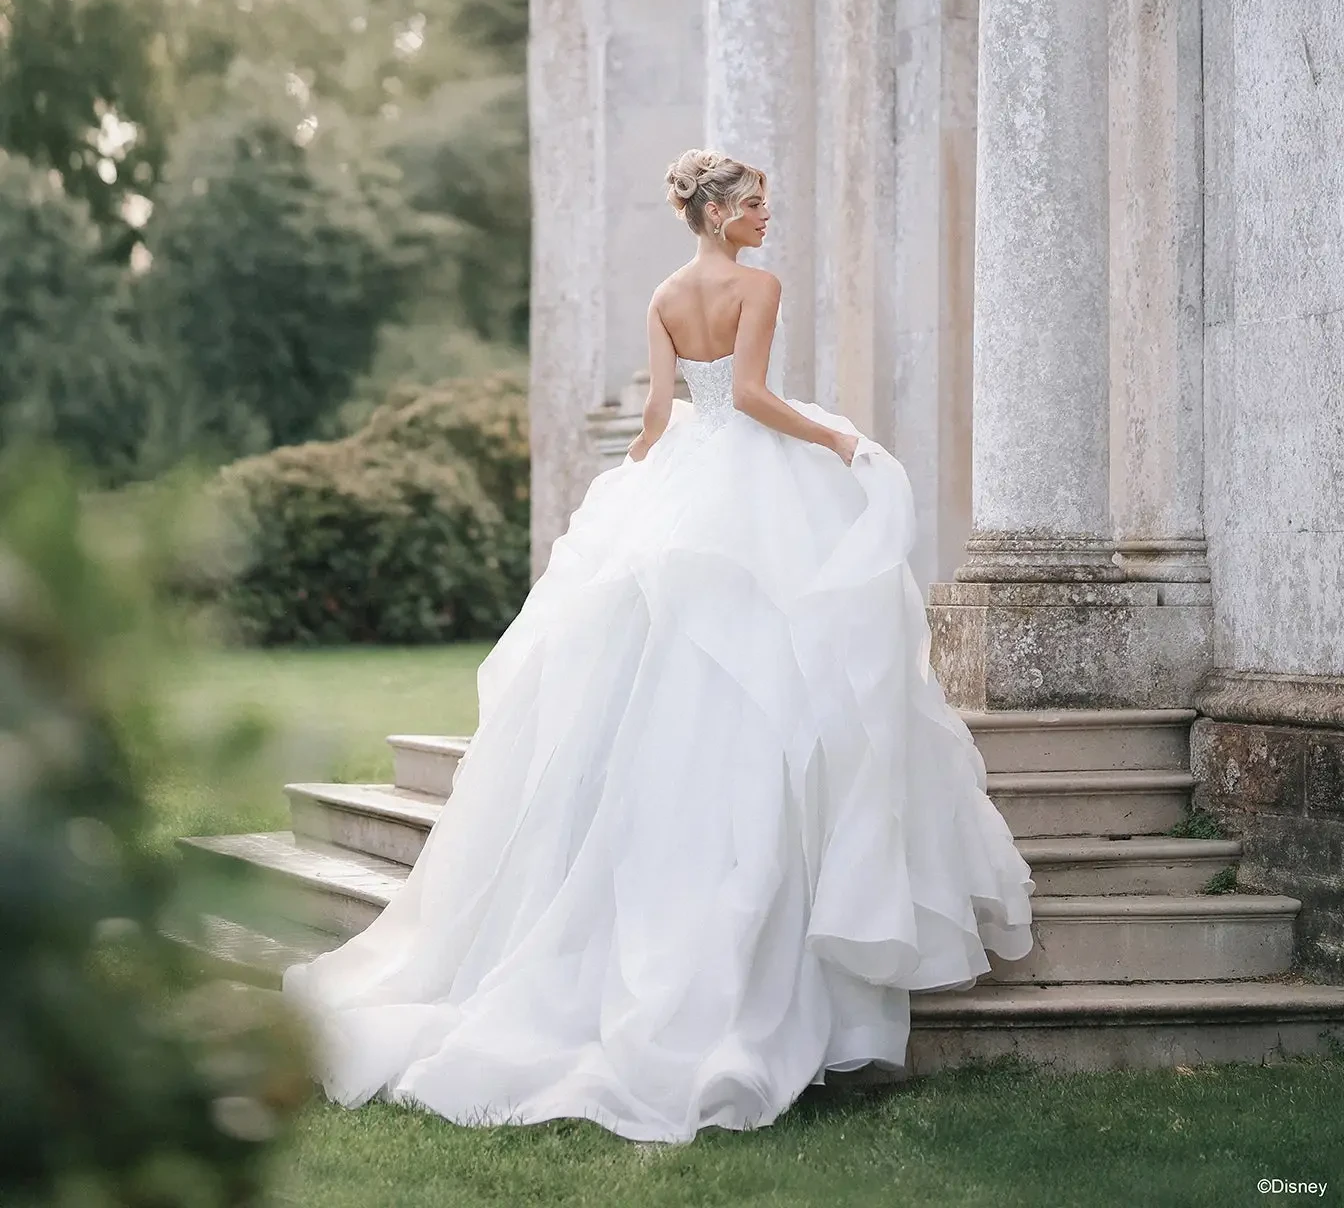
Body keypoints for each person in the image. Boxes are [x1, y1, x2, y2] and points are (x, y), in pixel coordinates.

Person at [282, 148, 1034, 1142]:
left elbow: (654, 418)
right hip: (753, 473)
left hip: (689, 472)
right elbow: (756, 396)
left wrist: (640, 490)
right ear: (719, 212)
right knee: (787, 672)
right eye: (756, 202)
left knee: (681, 674)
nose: (768, 215)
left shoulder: (668, 294)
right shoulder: (756, 286)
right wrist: (840, 442)